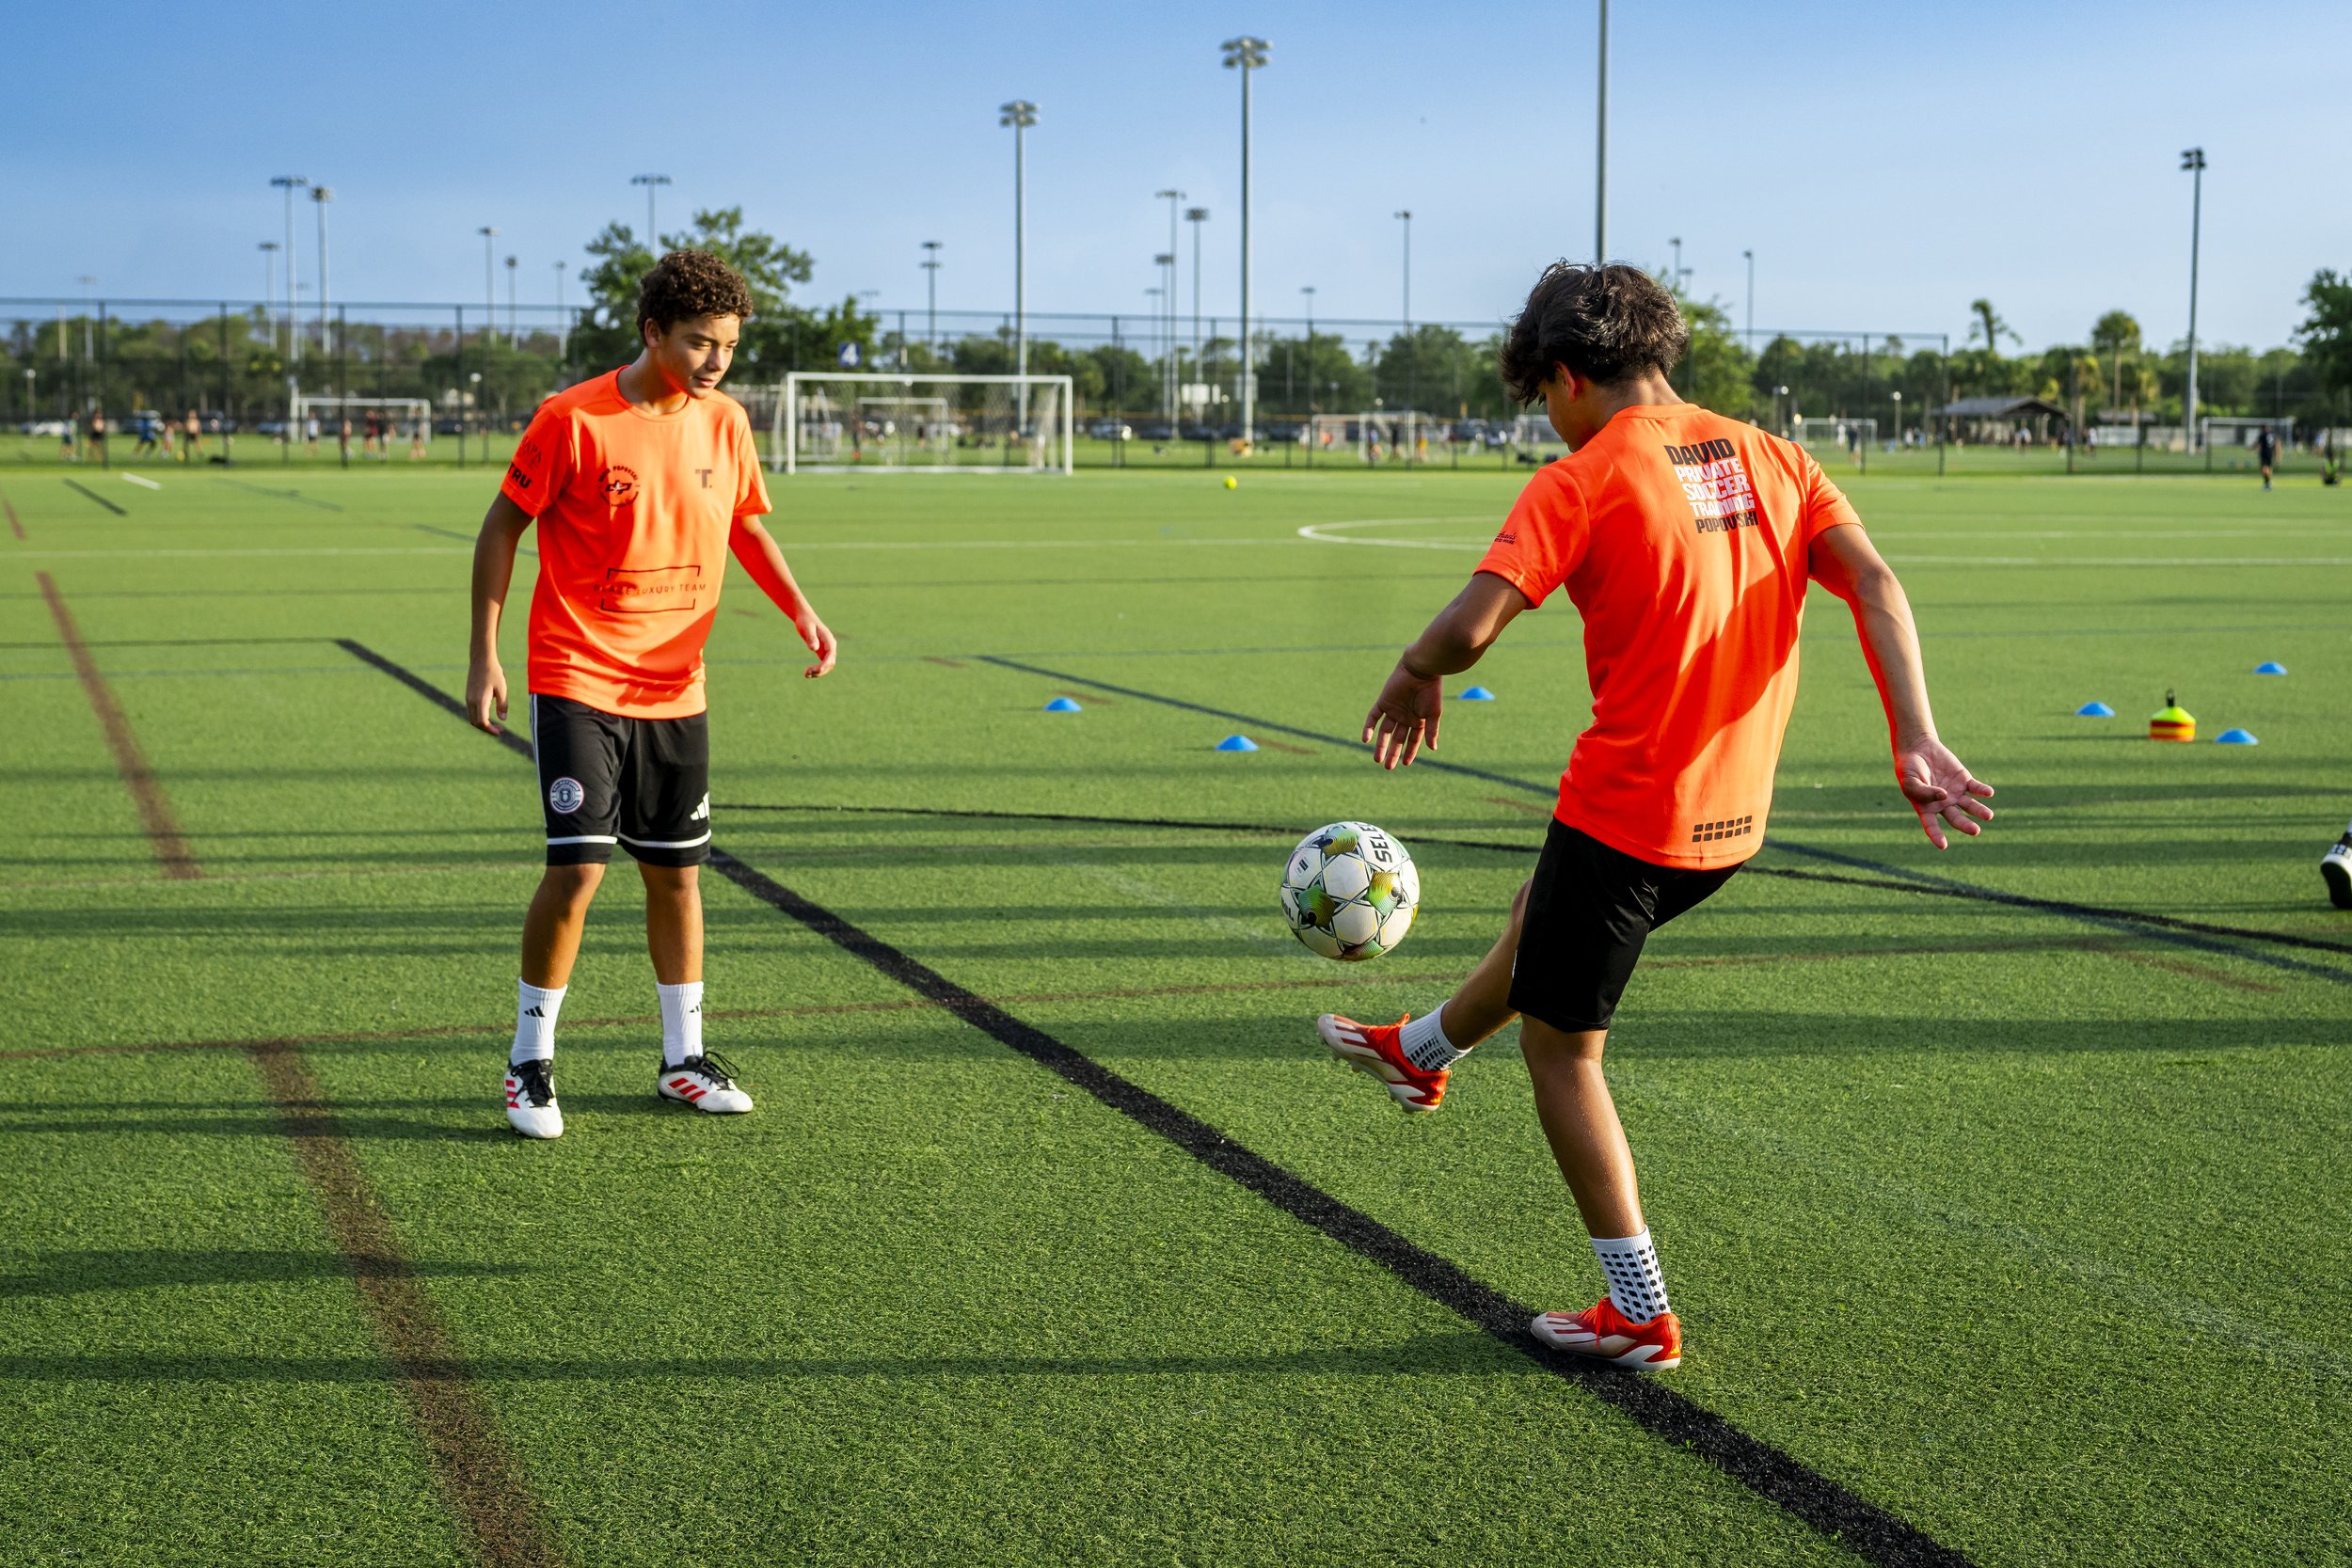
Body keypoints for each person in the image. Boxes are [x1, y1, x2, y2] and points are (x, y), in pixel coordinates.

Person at [1316, 262, 1993, 1373]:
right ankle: (1420, 1050)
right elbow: (1874, 582)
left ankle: (1638, 1307)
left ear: (1571, 375)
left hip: (1631, 812)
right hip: (1733, 818)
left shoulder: (1579, 478)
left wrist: (1411, 669)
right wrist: (1913, 734)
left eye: (1543, 393)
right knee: (1545, 916)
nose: (1548, 415)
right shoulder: (1776, 457)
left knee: (1561, 1051)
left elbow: (1475, 623)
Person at [465, 248, 837, 1141]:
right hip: (578, 673)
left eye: (730, 345)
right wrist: (484, 654)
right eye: (700, 342)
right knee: (579, 868)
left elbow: (743, 522)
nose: (716, 361)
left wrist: (800, 607)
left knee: (678, 874)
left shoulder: (727, 423)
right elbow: (501, 527)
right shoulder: (572, 419)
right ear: (652, 333)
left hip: (677, 686)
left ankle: (682, 1060)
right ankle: (529, 1063)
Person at [2255, 424, 2278, 491]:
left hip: (2264, 454)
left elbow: (2259, 444)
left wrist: (2253, 449)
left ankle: (2267, 482)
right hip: (2270, 453)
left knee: (2263, 469)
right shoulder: (2273, 434)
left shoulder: (2263, 434)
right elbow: (2276, 444)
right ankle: (2268, 482)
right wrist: (2276, 455)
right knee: (2268, 468)